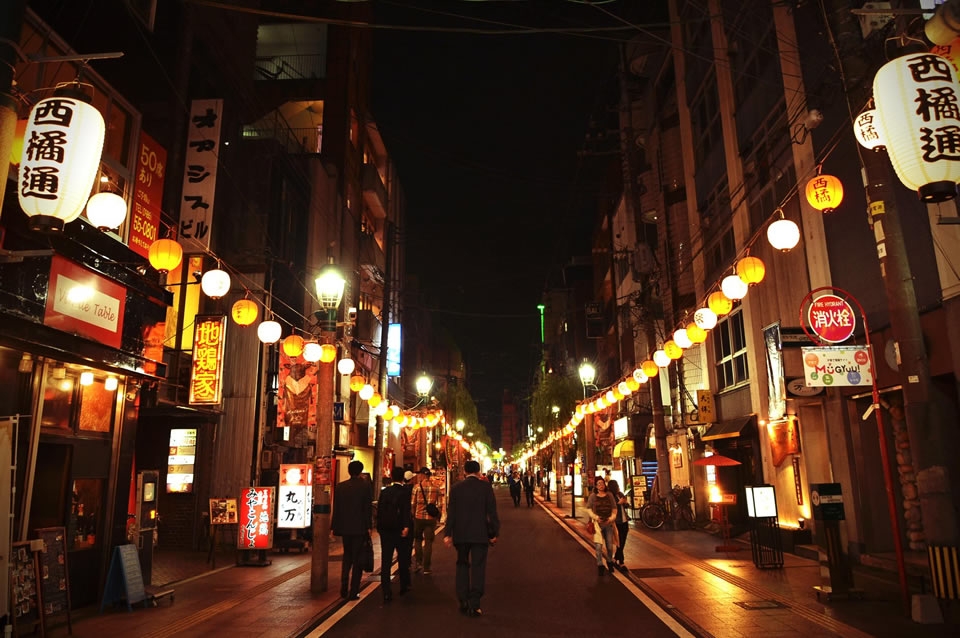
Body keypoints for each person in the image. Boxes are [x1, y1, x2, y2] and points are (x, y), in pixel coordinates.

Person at [444, 460, 500, 617]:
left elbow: (451, 513)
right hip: (480, 534)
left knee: (462, 565)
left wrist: (448, 533)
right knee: (478, 567)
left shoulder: (456, 488)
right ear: (478, 471)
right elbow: (492, 512)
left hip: (461, 534)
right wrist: (494, 533)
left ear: (465, 471)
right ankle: (475, 603)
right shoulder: (485, 487)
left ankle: (462, 599)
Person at [331, 460, 372, 600]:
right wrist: (368, 526)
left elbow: (337, 509)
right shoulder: (365, 486)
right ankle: (354, 591)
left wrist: (334, 527)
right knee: (358, 560)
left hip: (345, 528)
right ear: (360, 471)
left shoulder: (341, 487)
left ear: (349, 471)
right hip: (359, 528)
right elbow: (367, 508)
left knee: (347, 556)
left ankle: (343, 586)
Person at [377, 466, 412, 602]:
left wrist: (379, 527)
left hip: (385, 530)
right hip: (399, 529)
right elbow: (406, 511)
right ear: (402, 477)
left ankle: (386, 591)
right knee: (402, 558)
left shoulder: (385, 492)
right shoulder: (405, 492)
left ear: (392, 477)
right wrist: (406, 526)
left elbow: (379, 510)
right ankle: (404, 586)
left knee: (386, 560)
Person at [411, 467, 443, 575]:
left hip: (418, 517)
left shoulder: (416, 487)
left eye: (420, 474)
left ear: (423, 475)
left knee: (418, 540)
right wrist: (437, 516)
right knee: (428, 542)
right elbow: (439, 505)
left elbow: (413, 504)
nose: (419, 476)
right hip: (430, 519)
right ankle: (426, 567)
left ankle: (418, 563)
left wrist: (413, 514)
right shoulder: (436, 488)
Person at [587, 476, 618, 576]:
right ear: (596, 486)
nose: (601, 485)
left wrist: (611, 518)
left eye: (602, 483)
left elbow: (614, 508)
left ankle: (609, 561)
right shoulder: (593, 496)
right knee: (598, 546)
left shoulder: (609, 495)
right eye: (599, 484)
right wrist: (596, 517)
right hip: (597, 524)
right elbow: (588, 509)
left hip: (608, 524)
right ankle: (600, 564)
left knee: (609, 546)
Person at [607, 479, 629, 569]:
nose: (618, 487)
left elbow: (627, 505)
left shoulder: (620, 494)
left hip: (624, 520)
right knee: (619, 541)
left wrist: (625, 503)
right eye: (616, 485)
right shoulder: (610, 496)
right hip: (617, 521)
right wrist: (619, 503)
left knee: (622, 541)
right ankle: (621, 562)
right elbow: (610, 507)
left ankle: (615, 559)